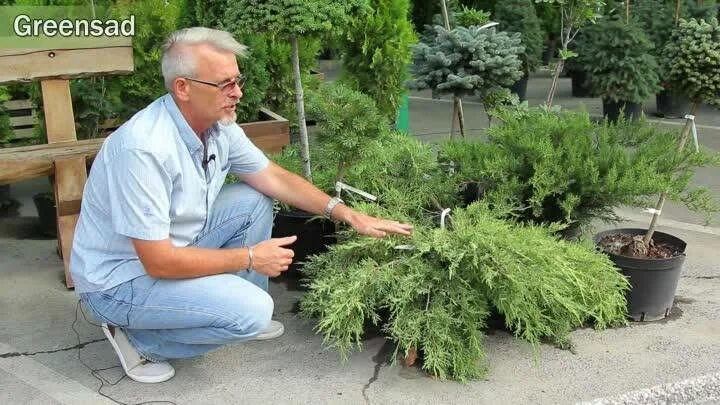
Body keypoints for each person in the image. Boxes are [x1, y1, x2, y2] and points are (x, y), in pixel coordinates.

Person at [69, 27, 413, 384]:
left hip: (171, 249)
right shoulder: (144, 149)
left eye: (237, 80)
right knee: (251, 312)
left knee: (253, 198)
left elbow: (274, 178)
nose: (238, 93)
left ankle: (228, 306)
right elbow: (158, 262)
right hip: (119, 282)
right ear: (183, 88)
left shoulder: (218, 126)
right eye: (224, 84)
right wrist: (249, 257)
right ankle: (141, 338)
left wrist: (348, 214)